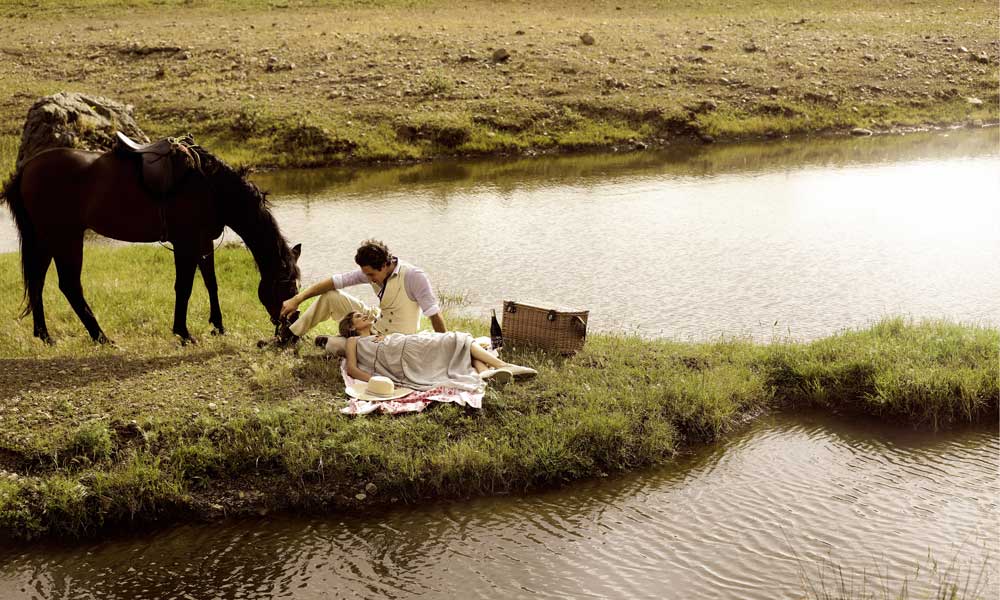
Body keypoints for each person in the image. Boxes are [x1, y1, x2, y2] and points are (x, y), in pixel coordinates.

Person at [278, 239, 446, 345]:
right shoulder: (371, 271)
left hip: (393, 339)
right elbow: (335, 281)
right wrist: (298, 298)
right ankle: (290, 335)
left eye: (371, 274)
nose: (369, 278)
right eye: (366, 274)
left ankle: (334, 341)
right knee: (331, 296)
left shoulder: (413, 277)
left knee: (341, 347)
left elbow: (434, 314)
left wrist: (446, 345)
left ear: (385, 265)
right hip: (375, 319)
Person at [340, 311, 537, 391]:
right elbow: (352, 369)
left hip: (409, 344)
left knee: (457, 341)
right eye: (358, 316)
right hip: (404, 356)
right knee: (456, 339)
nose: (364, 314)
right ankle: (500, 367)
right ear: (351, 326)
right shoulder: (354, 340)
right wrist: (377, 381)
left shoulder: (379, 333)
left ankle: (487, 372)